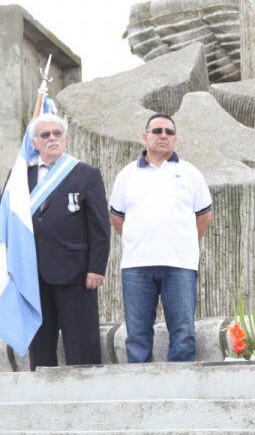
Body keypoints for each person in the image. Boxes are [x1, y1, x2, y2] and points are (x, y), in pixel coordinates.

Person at [109, 114, 213, 363]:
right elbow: (116, 216)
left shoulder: (190, 173)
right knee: (136, 335)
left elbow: (204, 216)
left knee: (183, 333)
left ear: (175, 139)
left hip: (180, 265)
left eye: (169, 131)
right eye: (157, 131)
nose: (163, 135)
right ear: (145, 137)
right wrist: (139, 238)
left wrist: (183, 241)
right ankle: (142, 392)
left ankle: (179, 392)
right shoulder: (127, 174)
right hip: (136, 266)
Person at [26, 113, 110, 370]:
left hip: (76, 271)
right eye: (45, 135)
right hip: (32, 271)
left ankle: (86, 397)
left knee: (81, 343)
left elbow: (99, 225)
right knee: (40, 344)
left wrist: (96, 267)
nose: (52, 138)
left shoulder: (86, 174)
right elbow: (7, 219)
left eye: (57, 134)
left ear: (66, 138)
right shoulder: (21, 176)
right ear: (34, 143)